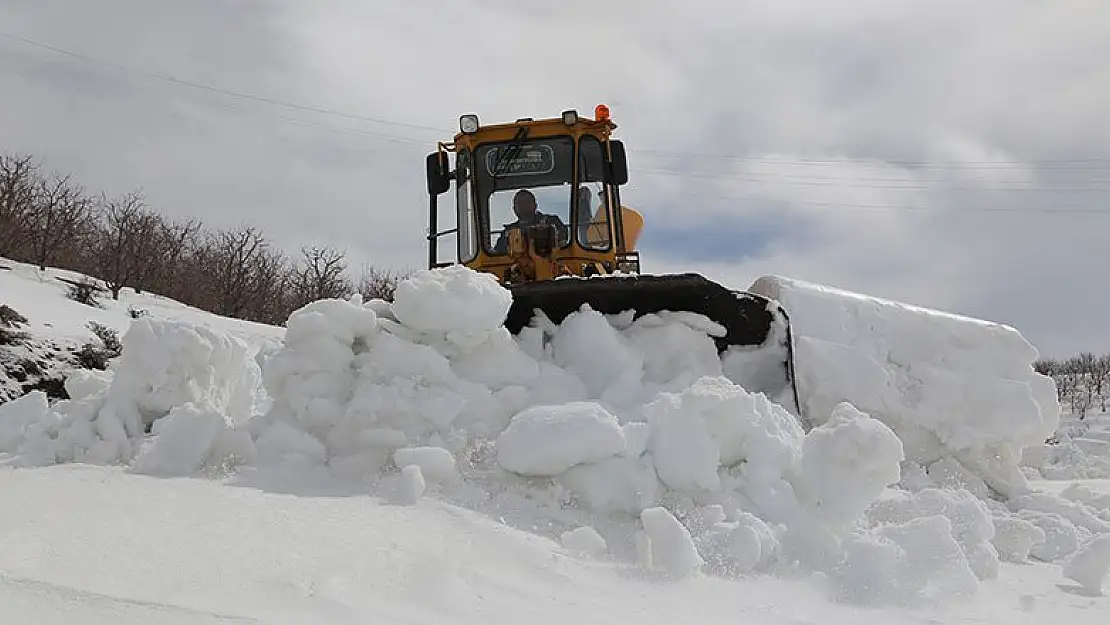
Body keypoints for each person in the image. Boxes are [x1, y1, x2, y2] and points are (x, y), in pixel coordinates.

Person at [492, 189, 568, 253]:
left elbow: (563, 240)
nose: (523, 206)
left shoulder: (552, 221)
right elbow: (498, 254)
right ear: (514, 209)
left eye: (526, 202)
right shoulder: (507, 232)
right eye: (520, 203)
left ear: (535, 205)